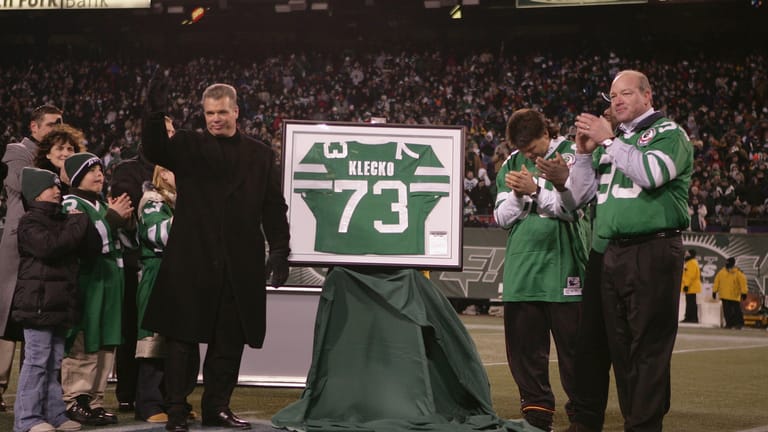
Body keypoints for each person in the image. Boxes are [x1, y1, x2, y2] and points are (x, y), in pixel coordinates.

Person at [141, 81, 290, 432]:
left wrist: (281, 251)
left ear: (237, 111)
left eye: (223, 112)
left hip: (239, 267)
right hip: (191, 261)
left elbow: (273, 208)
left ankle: (217, 408)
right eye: (210, 113)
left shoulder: (260, 154)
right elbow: (154, 150)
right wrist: (153, 114)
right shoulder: (188, 144)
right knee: (181, 340)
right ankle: (176, 410)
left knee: (229, 343)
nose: (216, 119)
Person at [571, 69, 692, 431]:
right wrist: (580, 154)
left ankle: (644, 426)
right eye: (613, 95)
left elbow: (651, 173)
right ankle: (634, 422)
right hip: (613, 252)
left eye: (625, 93)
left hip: (653, 248)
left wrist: (609, 143)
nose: (617, 101)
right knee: (621, 349)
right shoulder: (615, 141)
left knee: (648, 347)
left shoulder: (670, 133)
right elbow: (578, 196)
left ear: (647, 96)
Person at [493, 108, 589, 432]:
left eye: (533, 150)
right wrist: (519, 196)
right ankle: (536, 413)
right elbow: (501, 219)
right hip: (522, 268)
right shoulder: (510, 164)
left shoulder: (572, 155)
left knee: (574, 349)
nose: (528, 156)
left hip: (563, 265)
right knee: (524, 349)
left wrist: (535, 188)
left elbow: (572, 209)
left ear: (546, 135)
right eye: (522, 151)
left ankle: (583, 415)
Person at [11, 167, 101, 432]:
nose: (57, 190)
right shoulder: (29, 222)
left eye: (57, 186)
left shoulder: (64, 218)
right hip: (38, 302)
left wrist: (83, 221)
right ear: (35, 193)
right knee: (38, 360)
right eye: (50, 187)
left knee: (54, 363)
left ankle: (54, 414)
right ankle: (27, 419)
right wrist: (76, 223)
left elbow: (92, 249)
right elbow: (50, 247)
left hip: (61, 302)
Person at [60, 153, 135, 426]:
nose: (99, 175)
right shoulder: (69, 203)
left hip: (111, 282)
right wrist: (112, 219)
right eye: (91, 170)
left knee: (107, 341)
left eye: (101, 170)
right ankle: (75, 399)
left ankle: (96, 399)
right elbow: (82, 241)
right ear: (77, 175)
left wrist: (126, 221)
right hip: (88, 282)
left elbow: (127, 242)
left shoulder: (103, 203)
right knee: (84, 339)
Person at [0, 104, 63, 411]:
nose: (56, 129)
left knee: (34, 320)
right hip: (17, 247)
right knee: (6, 316)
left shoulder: (55, 159)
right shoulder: (17, 152)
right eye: (51, 124)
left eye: (60, 124)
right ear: (34, 127)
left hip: (44, 247)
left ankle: (36, 393)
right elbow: (26, 187)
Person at [107, 117, 170, 414]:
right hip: (136, 262)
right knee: (134, 331)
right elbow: (125, 214)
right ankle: (129, 392)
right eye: (163, 132)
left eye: (171, 132)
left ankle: (166, 395)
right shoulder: (127, 170)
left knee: (165, 333)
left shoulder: (180, 167)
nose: (169, 137)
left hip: (167, 264)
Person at [134, 164, 176, 423]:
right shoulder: (152, 202)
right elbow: (159, 234)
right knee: (152, 340)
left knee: (176, 342)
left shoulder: (174, 202)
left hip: (179, 275)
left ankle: (172, 399)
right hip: (157, 273)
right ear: (160, 174)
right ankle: (148, 403)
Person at [712, 257, 748, 329]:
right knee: (727, 311)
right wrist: (714, 291)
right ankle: (729, 324)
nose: (727, 264)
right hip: (724, 295)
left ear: (733, 263)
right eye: (727, 263)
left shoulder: (738, 273)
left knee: (736, 311)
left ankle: (739, 323)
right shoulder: (721, 272)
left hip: (734, 295)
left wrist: (744, 292)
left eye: (729, 263)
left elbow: (743, 283)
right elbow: (716, 282)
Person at [680, 249, 702, 324]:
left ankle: (692, 318)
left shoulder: (692, 263)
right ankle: (689, 317)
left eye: (687, 253)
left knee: (691, 303)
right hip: (691, 286)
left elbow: (690, 275)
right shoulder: (689, 262)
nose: (686, 255)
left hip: (691, 286)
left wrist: (686, 285)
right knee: (690, 302)